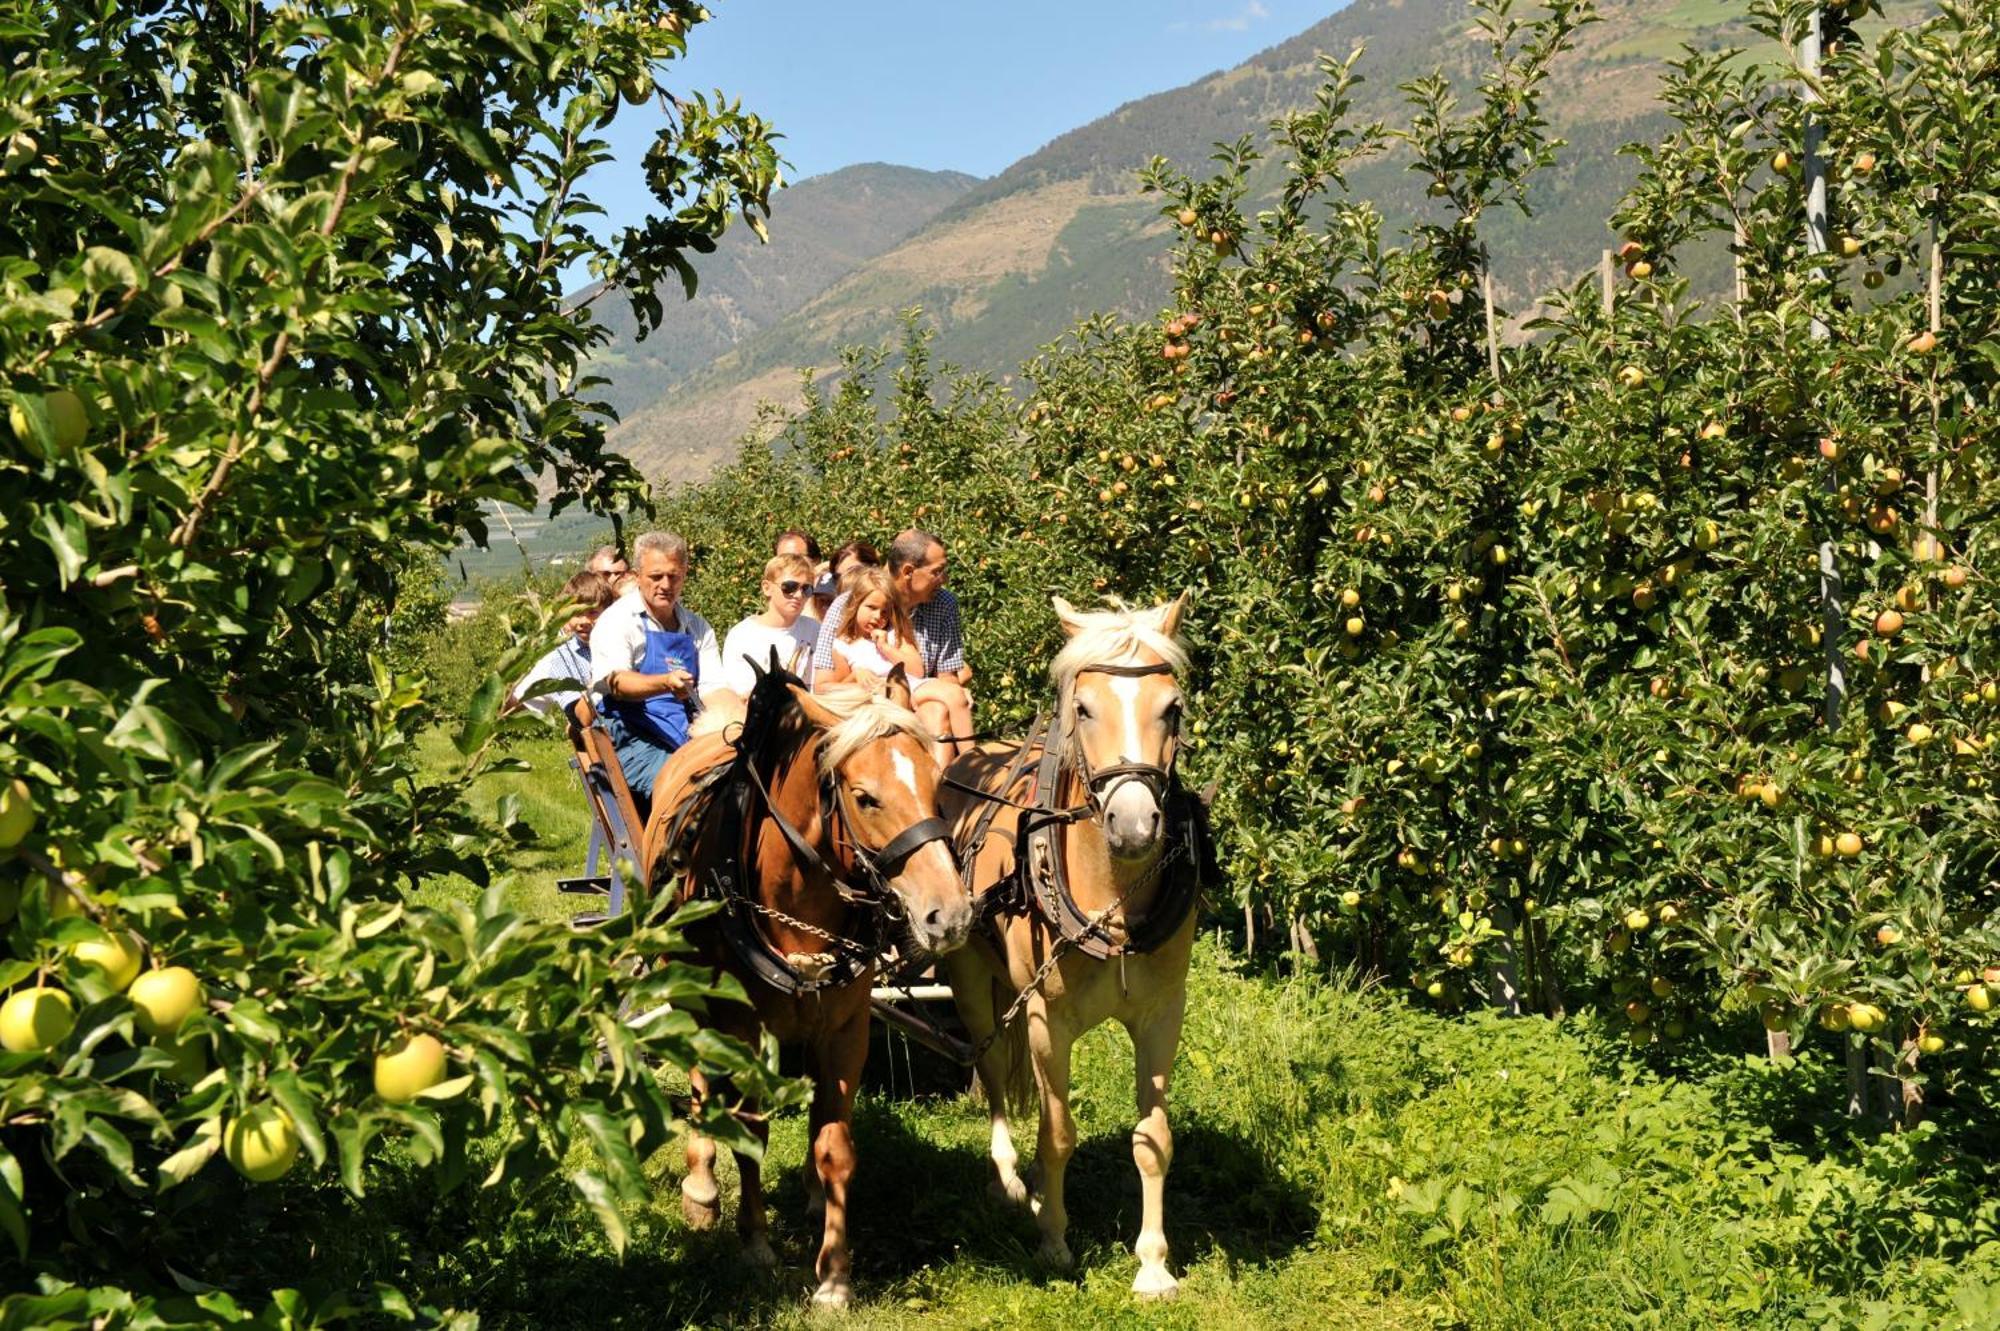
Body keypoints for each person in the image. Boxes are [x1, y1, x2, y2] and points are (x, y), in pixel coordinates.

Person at [588, 531, 722, 812]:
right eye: (656, 576)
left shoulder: (698, 628)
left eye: (673, 576)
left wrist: (737, 716)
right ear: (637, 576)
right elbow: (616, 681)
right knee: (689, 789)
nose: (665, 585)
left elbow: (715, 689)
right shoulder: (618, 621)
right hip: (633, 739)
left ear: (684, 574)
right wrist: (664, 682)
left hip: (688, 736)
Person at [812, 529, 973, 761]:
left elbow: (946, 675)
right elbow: (824, 687)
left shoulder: (944, 604)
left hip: (921, 703)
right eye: (937, 572)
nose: (944, 579)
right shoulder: (847, 606)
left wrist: (952, 693)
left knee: (938, 710)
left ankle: (948, 781)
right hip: (866, 715)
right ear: (908, 572)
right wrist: (859, 678)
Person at [508, 571, 617, 719]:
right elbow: (578, 715)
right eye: (577, 613)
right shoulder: (563, 657)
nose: (584, 621)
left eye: (593, 613)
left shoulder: (620, 641)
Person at [717, 552, 821, 696]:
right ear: (767, 588)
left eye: (806, 589)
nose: (798, 595)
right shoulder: (741, 636)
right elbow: (745, 697)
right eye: (789, 587)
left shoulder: (817, 631)